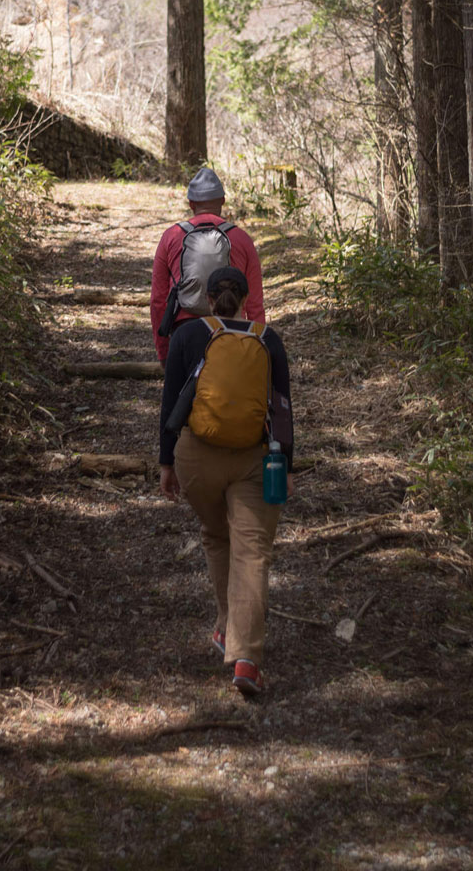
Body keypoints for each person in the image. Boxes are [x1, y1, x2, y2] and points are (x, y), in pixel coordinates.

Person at [158, 265, 293, 698]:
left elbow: (170, 403)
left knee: (218, 536)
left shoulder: (188, 335)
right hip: (255, 459)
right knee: (252, 553)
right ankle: (246, 658)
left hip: (198, 458)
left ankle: (224, 627)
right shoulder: (269, 340)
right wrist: (284, 466)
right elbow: (284, 411)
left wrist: (166, 464)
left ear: (209, 299)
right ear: (248, 298)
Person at [149, 166, 264, 366]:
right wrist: (258, 348)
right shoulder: (242, 239)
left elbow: (158, 300)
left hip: (184, 332)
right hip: (231, 331)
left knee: (182, 394)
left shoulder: (171, 237)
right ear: (222, 201)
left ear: (191, 203)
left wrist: (164, 351)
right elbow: (254, 303)